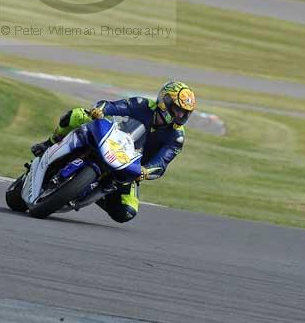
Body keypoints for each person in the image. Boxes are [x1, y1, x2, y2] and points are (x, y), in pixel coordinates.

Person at [31, 80, 196, 224]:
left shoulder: (176, 138)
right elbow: (114, 106)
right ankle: (48, 144)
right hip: (111, 140)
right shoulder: (143, 105)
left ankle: (96, 192)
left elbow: (161, 164)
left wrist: (145, 172)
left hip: (130, 165)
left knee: (127, 211)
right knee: (78, 115)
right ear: (165, 101)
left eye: (185, 113)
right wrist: (101, 110)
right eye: (178, 110)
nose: (181, 116)